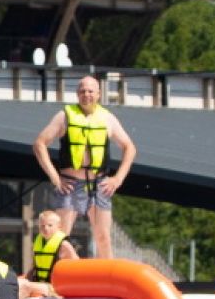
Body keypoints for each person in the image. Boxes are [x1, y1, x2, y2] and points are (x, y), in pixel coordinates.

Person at [31, 75, 137, 260]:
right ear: (77, 94)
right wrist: (55, 178)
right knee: (60, 237)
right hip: (70, 184)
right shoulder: (64, 116)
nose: (86, 95)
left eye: (90, 91)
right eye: (82, 91)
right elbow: (40, 144)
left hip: (100, 184)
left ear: (98, 94)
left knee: (103, 237)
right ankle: (56, 278)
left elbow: (130, 148)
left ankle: (108, 280)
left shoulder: (107, 118)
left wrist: (118, 178)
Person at [29, 209, 78, 285]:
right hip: (41, 284)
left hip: (57, 286)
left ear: (59, 227)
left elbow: (77, 265)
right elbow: (35, 266)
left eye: (50, 225)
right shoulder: (37, 243)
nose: (46, 228)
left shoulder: (64, 245)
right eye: (42, 225)